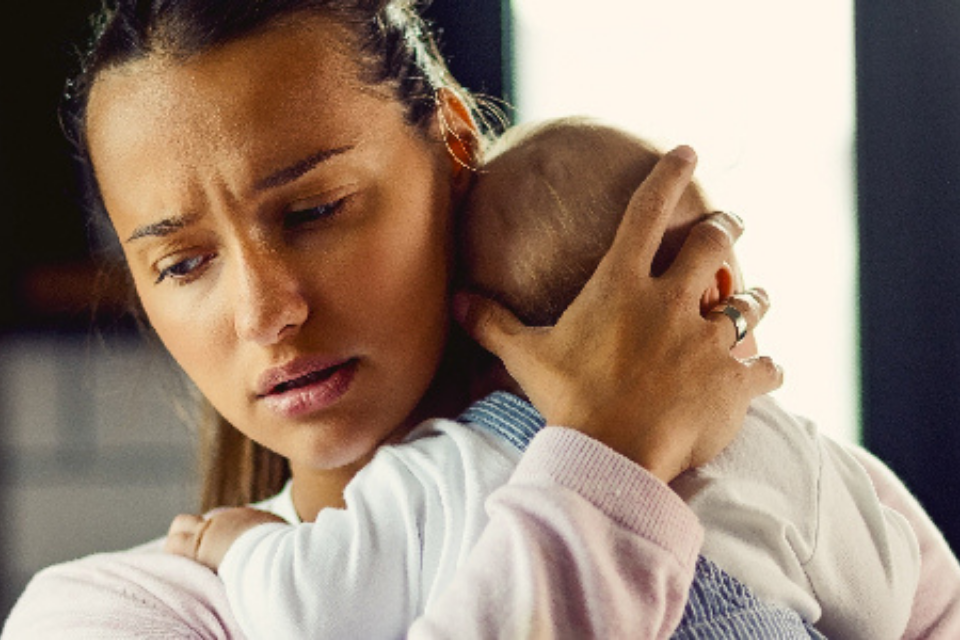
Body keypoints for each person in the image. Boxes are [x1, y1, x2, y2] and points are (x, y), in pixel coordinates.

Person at [3, 0, 958, 638]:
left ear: (455, 147)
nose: (266, 310)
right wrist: (606, 464)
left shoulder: (771, 465)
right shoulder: (113, 615)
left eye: (313, 211)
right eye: (183, 263)